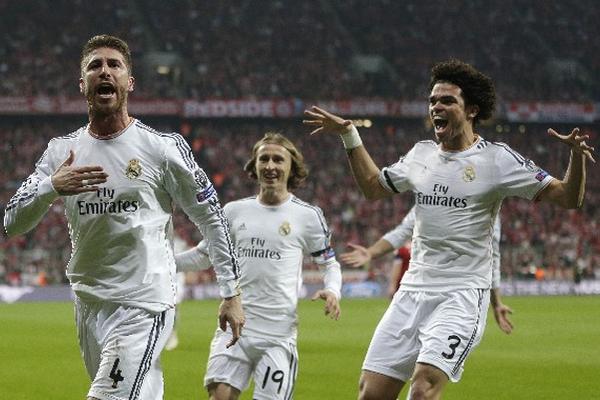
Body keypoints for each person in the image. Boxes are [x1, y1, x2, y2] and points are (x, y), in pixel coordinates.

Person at [303, 59, 593, 400]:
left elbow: (568, 198)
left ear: (471, 110)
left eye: (447, 101)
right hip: (411, 292)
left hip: (461, 294)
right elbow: (372, 186)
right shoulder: (420, 154)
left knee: (423, 387)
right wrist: (349, 135)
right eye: (432, 101)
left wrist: (575, 158)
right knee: (370, 394)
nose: (436, 107)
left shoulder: (498, 159)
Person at [3, 34, 244, 400]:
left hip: (143, 302)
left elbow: (211, 218)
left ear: (129, 82)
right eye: (94, 66)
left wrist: (231, 292)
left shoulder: (161, 148)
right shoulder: (61, 152)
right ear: (82, 84)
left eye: (114, 65)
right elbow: (11, 222)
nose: (105, 72)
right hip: (88, 301)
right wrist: (51, 186)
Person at [175, 132, 342, 400]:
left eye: (278, 159)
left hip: (278, 335)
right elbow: (204, 255)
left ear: (291, 167)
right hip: (235, 327)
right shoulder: (233, 212)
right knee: (219, 396)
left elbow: (329, 263)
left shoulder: (308, 216)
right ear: (254, 165)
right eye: (264, 159)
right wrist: (161, 264)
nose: (270, 166)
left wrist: (333, 290)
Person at [341, 207, 513, 334]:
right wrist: (371, 252)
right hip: (420, 290)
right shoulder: (432, 189)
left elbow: (492, 255)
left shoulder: (488, 201)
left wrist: (496, 303)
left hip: (461, 294)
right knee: (373, 380)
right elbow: (402, 231)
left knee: (427, 372)